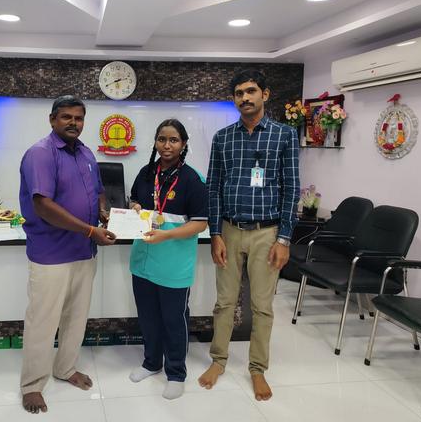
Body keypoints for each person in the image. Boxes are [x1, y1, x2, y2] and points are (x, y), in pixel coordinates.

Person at [198, 69, 300, 401]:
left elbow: (291, 189)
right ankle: (218, 361)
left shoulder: (284, 135)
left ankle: (257, 369)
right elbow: (213, 188)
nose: (245, 97)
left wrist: (284, 239)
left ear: (264, 95)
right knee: (224, 302)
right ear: (234, 99)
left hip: (267, 233)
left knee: (262, 306)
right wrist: (215, 233)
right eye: (239, 93)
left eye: (251, 91)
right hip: (229, 230)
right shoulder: (223, 137)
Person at [18, 95, 116, 414]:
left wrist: (103, 212)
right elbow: (43, 206)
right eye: (66, 117)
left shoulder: (86, 153)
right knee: (43, 322)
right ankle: (32, 385)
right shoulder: (40, 153)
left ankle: (65, 368)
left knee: (76, 316)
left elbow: (99, 191)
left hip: (83, 252)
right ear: (52, 119)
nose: (74, 123)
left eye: (79, 118)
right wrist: (90, 230)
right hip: (51, 253)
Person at [127, 118, 208, 400]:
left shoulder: (192, 180)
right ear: (155, 142)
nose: (167, 145)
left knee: (174, 320)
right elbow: (133, 200)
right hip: (143, 260)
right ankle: (151, 363)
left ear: (183, 144)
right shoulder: (146, 172)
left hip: (174, 265)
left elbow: (200, 223)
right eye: (162, 139)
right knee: (148, 318)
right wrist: (134, 206)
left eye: (173, 140)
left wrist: (167, 235)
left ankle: (176, 373)